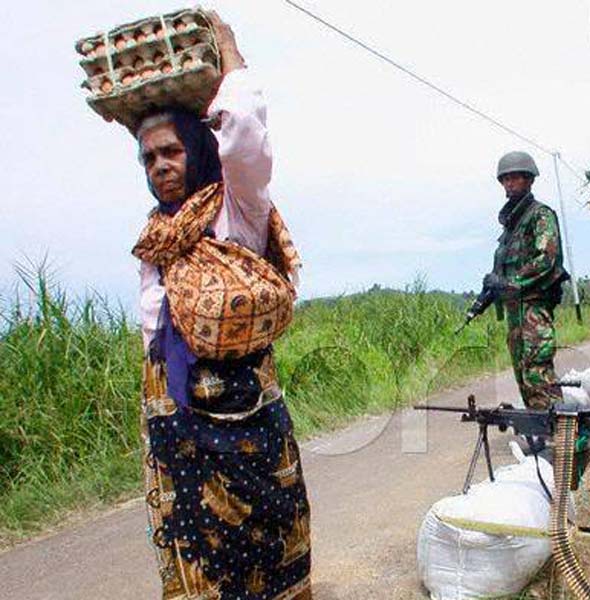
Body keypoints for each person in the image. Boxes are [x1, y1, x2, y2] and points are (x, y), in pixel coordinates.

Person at [131, 13, 311, 599]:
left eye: (171, 151)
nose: (159, 165)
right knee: (194, 550)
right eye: (148, 157)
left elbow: (243, 135)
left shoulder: (237, 208)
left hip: (245, 418)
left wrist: (229, 53)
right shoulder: (158, 237)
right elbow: (155, 332)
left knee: (265, 536)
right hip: (179, 424)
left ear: (199, 152)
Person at [480, 151, 569, 409]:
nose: (509, 183)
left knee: (538, 375)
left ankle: (567, 439)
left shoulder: (540, 215)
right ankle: (541, 435)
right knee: (522, 376)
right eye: (505, 179)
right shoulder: (510, 227)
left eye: (515, 177)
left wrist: (510, 283)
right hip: (514, 313)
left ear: (529, 180)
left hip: (533, 308)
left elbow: (546, 259)